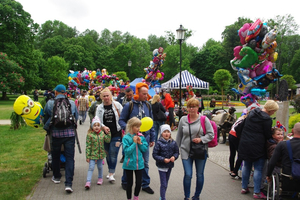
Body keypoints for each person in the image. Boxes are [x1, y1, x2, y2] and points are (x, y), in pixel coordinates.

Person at [119, 82, 156, 194]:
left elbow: (151, 123)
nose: (146, 96)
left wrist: (152, 138)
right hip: (131, 139)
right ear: (138, 93)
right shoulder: (129, 105)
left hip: (144, 138)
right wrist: (129, 129)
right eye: (144, 94)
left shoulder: (148, 105)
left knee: (144, 162)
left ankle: (145, 184)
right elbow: (121, 120)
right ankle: (125, 182)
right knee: (129, 160)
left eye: (147, 94)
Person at [238, 100, 279, 199]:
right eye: (274, 111)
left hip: (245, 143)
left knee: (246, 166)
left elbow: (242, 126)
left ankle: (244, 187)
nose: (274, 113)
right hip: (258, 145)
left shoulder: (252, 112)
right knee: (258, 169)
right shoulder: (267, 119)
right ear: (271, 110)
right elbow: (267, 134)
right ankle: (256, 192)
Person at [176, 98, 214, 200]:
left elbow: (211, 134)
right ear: (187, 108)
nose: (191, 109)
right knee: (188, 174)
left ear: (198, 107)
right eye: (189, 107)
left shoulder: (204, 119)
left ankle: (197, 195)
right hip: (186, 150)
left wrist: (201, 139)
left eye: (194, 107)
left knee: (199, 174)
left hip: (200, 151)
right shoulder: (183, 120)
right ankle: (186, 196)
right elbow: (179, 136)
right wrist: (175, 150)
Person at [43, 84, 78, 193]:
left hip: (56, 134)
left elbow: (46, 117)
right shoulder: (71, 103)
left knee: (55, 155)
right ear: (65, 92)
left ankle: (57, 176)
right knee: (69, 158)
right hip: (70, 134)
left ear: (56, 92)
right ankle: (68, 183)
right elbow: (75, 118)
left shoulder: (50, 103)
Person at [96, 87, 123, 183]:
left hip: (116, 133)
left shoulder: (117, 105)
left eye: (108, 95)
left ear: (111, 96)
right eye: (104, 96)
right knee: (107, 154)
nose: (106, 98)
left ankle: (111, 173)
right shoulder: (99, 107)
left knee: (113, 153)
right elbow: (97, 120)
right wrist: (103, 127)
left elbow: (122, 117)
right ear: (101, 97)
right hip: (105, 135)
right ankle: (110, 170)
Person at [267, 122, 300, 193]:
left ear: (293, 131)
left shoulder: (283, 144)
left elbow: (272, 162)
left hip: (288, 177)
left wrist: (268, 175)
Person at [122, 117, 148, 200]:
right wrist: (134, 143)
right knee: (129, 183)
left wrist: (140, 143)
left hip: (139, 163)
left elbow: (144, 149)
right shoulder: (126, 138)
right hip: (129, 164)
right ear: (131, 126)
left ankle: (136, 197)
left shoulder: (141, 136)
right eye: (136, 126)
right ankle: (129, 198)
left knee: (139, 182)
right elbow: (127, 151)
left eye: (139, 126)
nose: (138, 128)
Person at [152, 124, 179, 200]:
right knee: (163, 183)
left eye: (168, 132)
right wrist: (163, 159)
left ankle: (162, 195)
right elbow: (155, 154)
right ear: (161, 133)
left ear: (170, 133)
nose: (166, 133)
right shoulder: (158, 143)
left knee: (166, 183)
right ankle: (163, 198)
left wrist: (174, 157)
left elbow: (176, 152)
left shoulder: (173, 142)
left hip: (170, 165)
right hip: (161, 166)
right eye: (164, 132)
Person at [85, 116, 111, 189]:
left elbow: (107, 140)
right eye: (95, 125)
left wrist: (108, 133)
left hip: (100, 154)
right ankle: (88, 181)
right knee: (91, 167)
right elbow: (88, 146)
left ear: (100, 126)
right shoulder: (90, 135)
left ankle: (100, 178)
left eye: (98, 125)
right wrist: (87, 156)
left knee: (100, 167)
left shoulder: (102, 134)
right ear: (92, 126)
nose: (96, 127)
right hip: (92, 154)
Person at [120, 87, 134, 163]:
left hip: (133, 125)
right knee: (125, 141)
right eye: (127, 95)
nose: (129, 97)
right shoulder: (122, 100)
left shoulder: (135, 101)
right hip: (126, 125)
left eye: (130, 95)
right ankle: (124, 155)